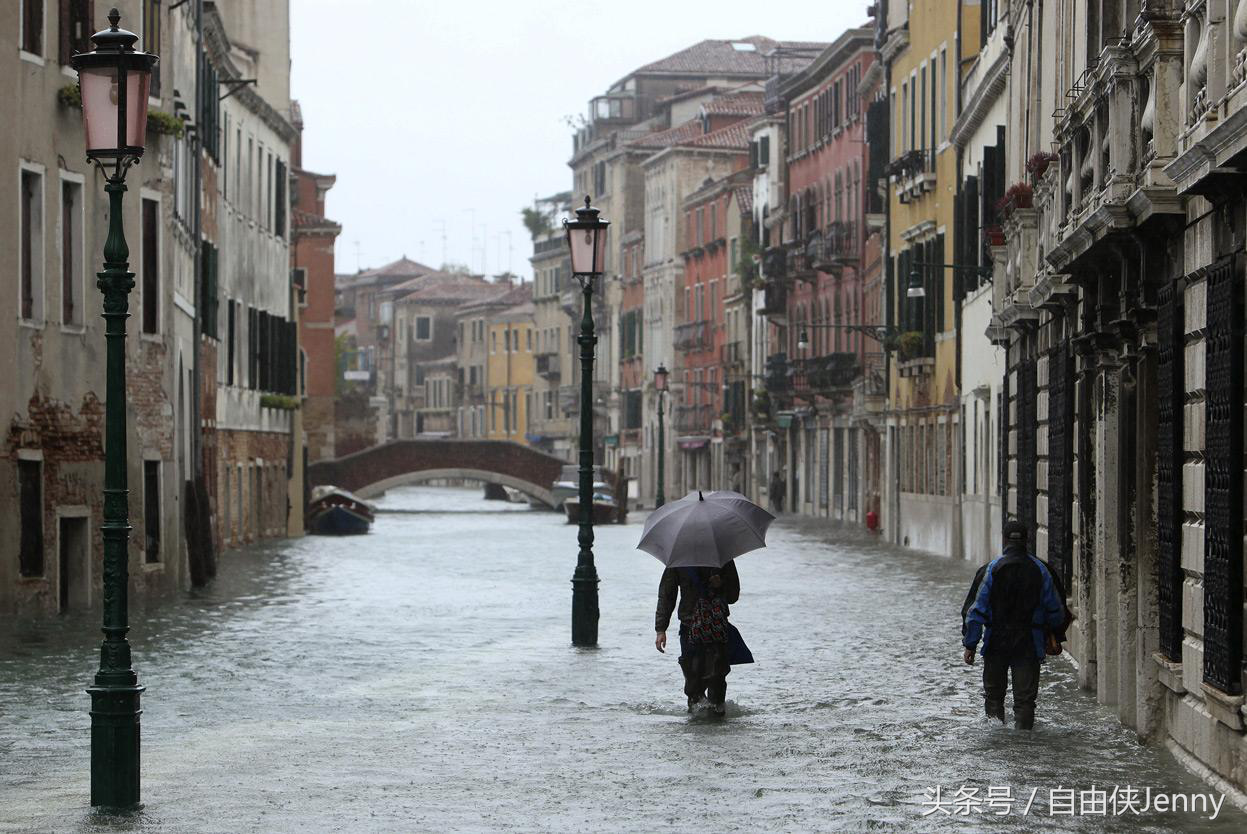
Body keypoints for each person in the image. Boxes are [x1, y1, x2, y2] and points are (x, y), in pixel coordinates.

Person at [962, 521, 1067, 730]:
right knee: (1025, 701)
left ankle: (997, 741)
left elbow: (975, 612)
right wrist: (1055, 633)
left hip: (996, 643)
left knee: (993, 698)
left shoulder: (991, 569)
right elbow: (1056, 609)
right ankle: (1024, 744)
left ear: (1004, 540)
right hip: (1029, 644)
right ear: (1028, 541)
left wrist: (970, 644)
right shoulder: (1041, 570)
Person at [655, 561, 741, 716]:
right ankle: (696, 719)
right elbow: (667, 595)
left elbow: (733, 596)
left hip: (716, 627)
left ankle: (717, 715)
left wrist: (720, 585)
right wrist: (661, 629)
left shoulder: (722, 557)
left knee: (717, 677)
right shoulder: (678, 559)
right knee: (693, 679)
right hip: (689, 626)